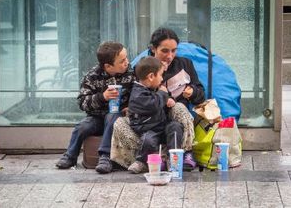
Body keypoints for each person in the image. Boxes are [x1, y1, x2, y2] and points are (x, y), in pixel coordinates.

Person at [55, 41, 136, 174]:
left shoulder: (132, 74)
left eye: (126, 58)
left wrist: (130, 108)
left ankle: (105, 157)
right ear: (108, 66)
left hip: (120, 118)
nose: (126, 62)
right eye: (122, 61)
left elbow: (139, 95)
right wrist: (102, 97)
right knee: (82, 126)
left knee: (112, 116)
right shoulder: (92, 76)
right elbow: (82, 102)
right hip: (97, 117)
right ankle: (70, 156)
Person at [147, 27, 205, 169]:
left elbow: (200, 95)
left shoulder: (185, 64)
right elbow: (139, 96)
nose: (170, 56)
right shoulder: (144, 66)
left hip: (179, 119)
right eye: (165, 51)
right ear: (154, 49)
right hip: (153, 118)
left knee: (178, 111)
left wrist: (193, 92)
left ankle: (186, 153)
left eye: (174, 50)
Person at [127, 56, 183, 173]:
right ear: (151, 76)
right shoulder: (138, 94)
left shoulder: (151, 88)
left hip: (160, 126)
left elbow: (159, 99)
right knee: (148, 140)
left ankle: (173, 159)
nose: (162, 79)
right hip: (147, 129)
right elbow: (154, 104)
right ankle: (141, 162)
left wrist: (169, 99)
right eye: (161, 75)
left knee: (175, 127)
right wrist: (163, 94)